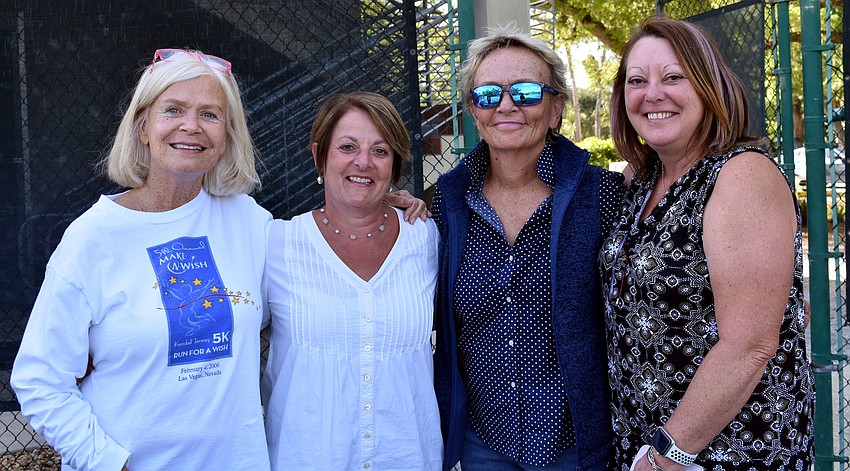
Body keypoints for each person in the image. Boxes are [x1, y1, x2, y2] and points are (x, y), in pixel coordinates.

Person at [10, 50, 427, 471]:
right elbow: (41, 379)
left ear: (227, 135)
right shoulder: (92, 238)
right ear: (142, 127)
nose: (191, 126)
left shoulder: (249, 224)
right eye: (173, 109)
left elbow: (327, 271)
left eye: (210, 115)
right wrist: (106, 462)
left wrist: (383, 202)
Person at [600, 16, 815, 471]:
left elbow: (751, 344)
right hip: (646, 445)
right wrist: (406, 204)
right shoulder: (639, 181)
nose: (652, 93)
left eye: (673, 77)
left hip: (725, 452)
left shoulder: (741, 175)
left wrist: (668, 455)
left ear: (708, 85)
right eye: (637, 81)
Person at [431, 25, 623, 471]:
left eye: (527, 91)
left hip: (577, 444)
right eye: (487, 95)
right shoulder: (448, 201)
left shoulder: (604, 196)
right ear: (473, 113)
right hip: (485, 442)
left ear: (555, 109)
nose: (506, 105)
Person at [261, 91, 442, 470]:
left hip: (407, 457)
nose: (363, 162)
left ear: (394, 167)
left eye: (380, 150)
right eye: (347, 146)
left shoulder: (426, 239)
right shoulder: (275, 244)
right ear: (319, 156)